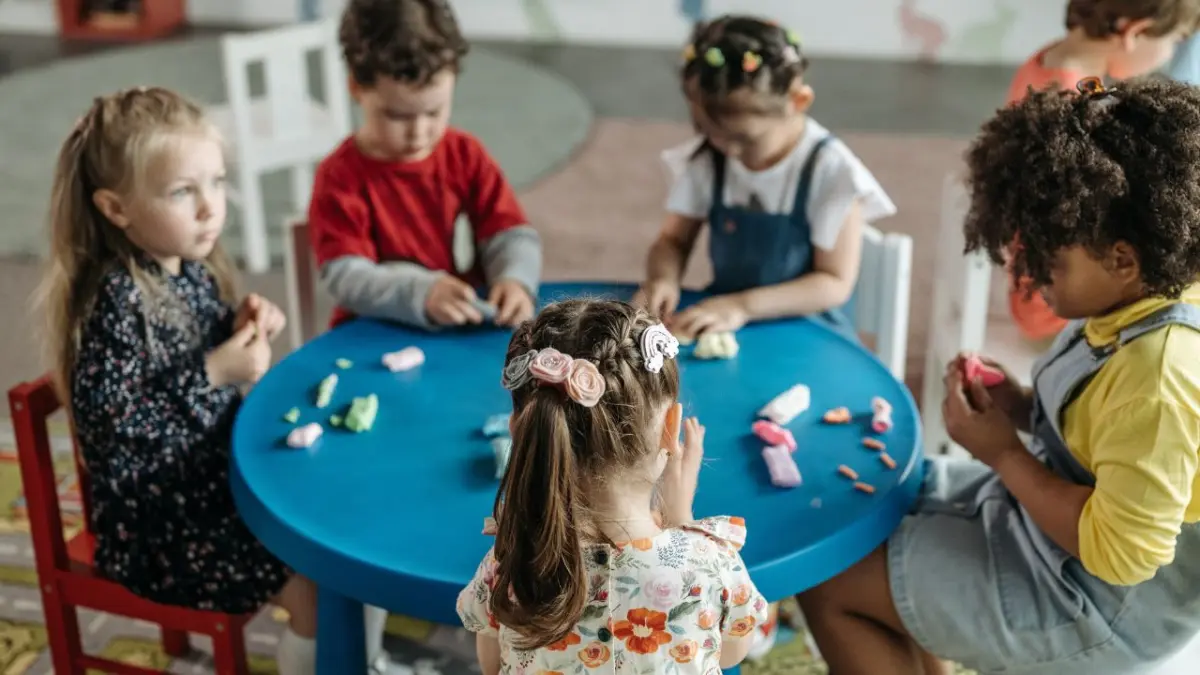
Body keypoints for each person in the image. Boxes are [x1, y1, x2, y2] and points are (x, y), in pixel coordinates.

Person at [798, 77, 1200, 675]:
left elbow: (1121, 557)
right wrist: (1017, 406)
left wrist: (1006, 455)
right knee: (866, 515)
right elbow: (1103, 433)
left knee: (829, 587)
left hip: (1104, 607)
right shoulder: (1133, 303)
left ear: (1123, 258)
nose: (1032, 274)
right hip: (1050, 536)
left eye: (1052, 260)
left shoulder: (1162, 377)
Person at [36, 87, 394, 675]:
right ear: (116, 208)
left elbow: (192, 354)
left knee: (349, 529)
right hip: (161, 527)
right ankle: (337, 661)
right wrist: (214, 371)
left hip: (214, 481)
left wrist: (240, 323)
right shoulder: (117, 303)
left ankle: (361, 660)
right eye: (182, 191)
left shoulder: (187, 269)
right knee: (320, 583)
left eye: (217, 182)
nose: (210, 208)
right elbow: (117, 436)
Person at [456, 300, 768, 675]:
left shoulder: (510, 566)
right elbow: (731, 652)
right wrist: (681, 521)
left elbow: (492, 667)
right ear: (671, 429)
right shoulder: (711, 565)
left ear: (520, 432)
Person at [636, 14, 895, 342]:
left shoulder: (830, 172)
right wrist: (662, 279)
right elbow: (673, 241)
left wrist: (742, 307)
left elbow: (834, 281)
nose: (728, 151)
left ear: (798, 102)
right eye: (711, 133)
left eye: (744, 139)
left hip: (807, 330)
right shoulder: (709, 158)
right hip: (725, 321)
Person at [309, 0, 542, 331]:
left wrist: (515, 278)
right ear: (356, 88)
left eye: (434, 112)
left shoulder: (464, 154)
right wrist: (419, 292)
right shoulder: (340, 176)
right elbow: (346, 277)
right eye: (396, 115)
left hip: (455, 323)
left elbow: (508, 232)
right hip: (370, 331)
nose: (419, 132)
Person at [1004, 0, 1200, 342]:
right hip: (1058, 296)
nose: (1170, 53)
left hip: (1042, 270)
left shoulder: (1051, 61)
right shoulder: (1068, 103)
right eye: (1175, 40)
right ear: (1135, 32)